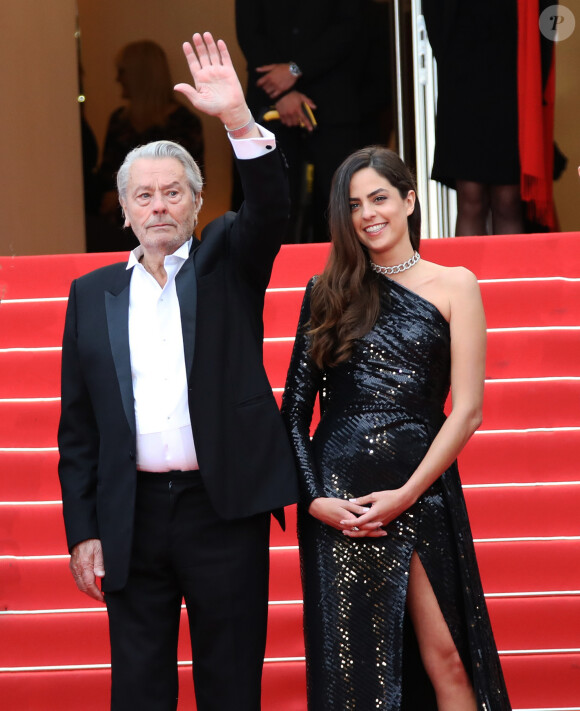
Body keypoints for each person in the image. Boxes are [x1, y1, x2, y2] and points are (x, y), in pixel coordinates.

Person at [58, 32, 298, 711]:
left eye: (171, 192)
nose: (157, 205)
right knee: (139, 688)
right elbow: (77, 429)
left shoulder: (228, 260)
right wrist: (84, 529)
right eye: (143, 196)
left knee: (229, 686)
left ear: (196, 202)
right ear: (125, 209)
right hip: (131, 513)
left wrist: (236, 119)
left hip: (221, 510)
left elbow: (271, 210)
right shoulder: (92, 294)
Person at [281, 146, 511, 709]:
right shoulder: (326, 291)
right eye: (354, 204)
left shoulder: (457, 285)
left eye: (379, 197)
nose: (368, 214)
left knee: (449, 660)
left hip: (421, 493)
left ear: (409, 199)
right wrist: (315, 502)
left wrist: (408, 494)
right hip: (341, 505)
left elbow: (467, 412)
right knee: (355, 682)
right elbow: (292, 412)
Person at [235, 0, 364, 243]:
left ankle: (348, 279)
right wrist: (282, 93)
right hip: (269, 100)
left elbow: (350, 26)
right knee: (273, 204)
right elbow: (249, 32)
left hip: (333, 103)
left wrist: (296, 69)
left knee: (341, 203)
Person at [95, 39, 205, 251]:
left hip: (173, 235)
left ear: (139, 75)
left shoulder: (184, 123)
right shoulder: (119, 120)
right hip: (118, 230)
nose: (117, 79)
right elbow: (105, 176)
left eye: (122, 71)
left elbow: (193, 181)